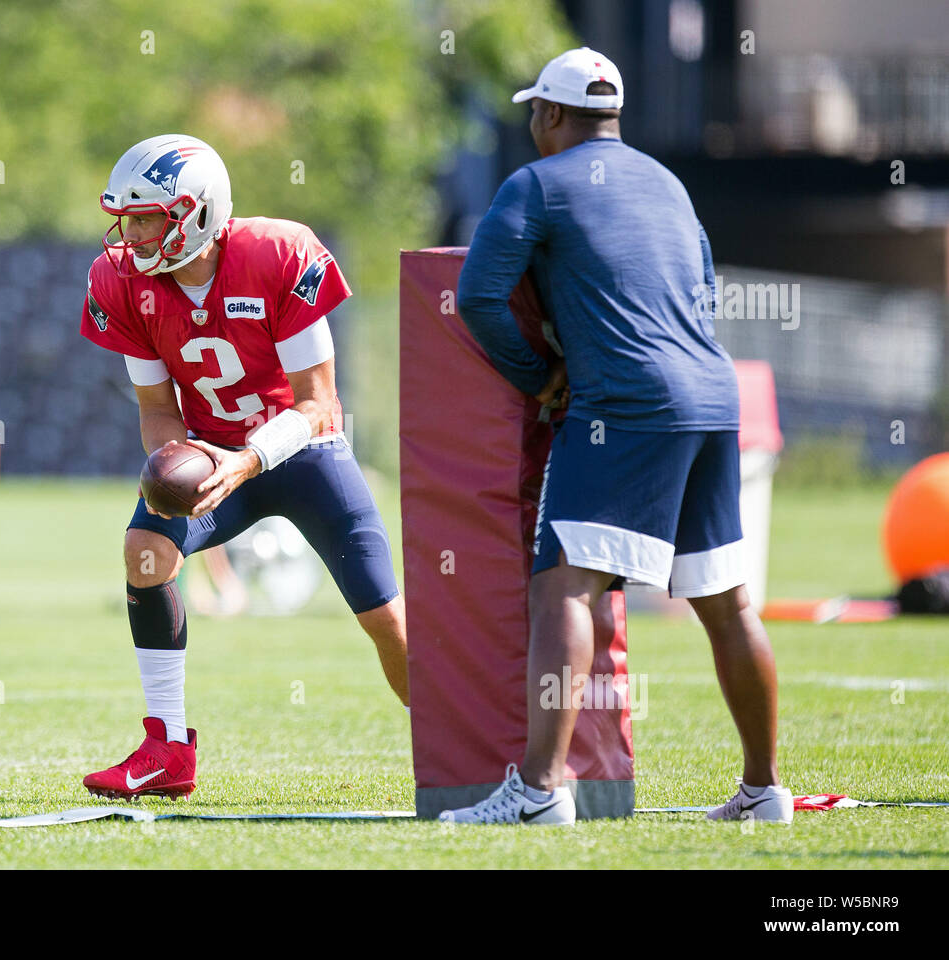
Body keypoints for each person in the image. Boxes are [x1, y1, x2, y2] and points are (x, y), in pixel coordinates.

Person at [443, 48, 791, 825]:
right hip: (713, 392)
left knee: (561, 585)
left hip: (625, 405)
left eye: (536, 110)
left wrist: (539, 377)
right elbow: (701, 284)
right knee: (728, 603)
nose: (532, 122)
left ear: (556, 116)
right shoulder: (667, 182)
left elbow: (477, 296)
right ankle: (766, 791)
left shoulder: (535, 182)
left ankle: (537, 793)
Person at [78, 135, 408, 800]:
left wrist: (249, 458)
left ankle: (462, 738)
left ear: (197, 212)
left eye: (148, 217)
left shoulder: (277, 254)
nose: (131, 233)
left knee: (385, 621)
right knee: (146, 552)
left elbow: (320, 406)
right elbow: (156, 408)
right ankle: (167, 748)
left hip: (301, 453)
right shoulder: (120, 281)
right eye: (127, 218)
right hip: (208, 449)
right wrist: (178, 463)